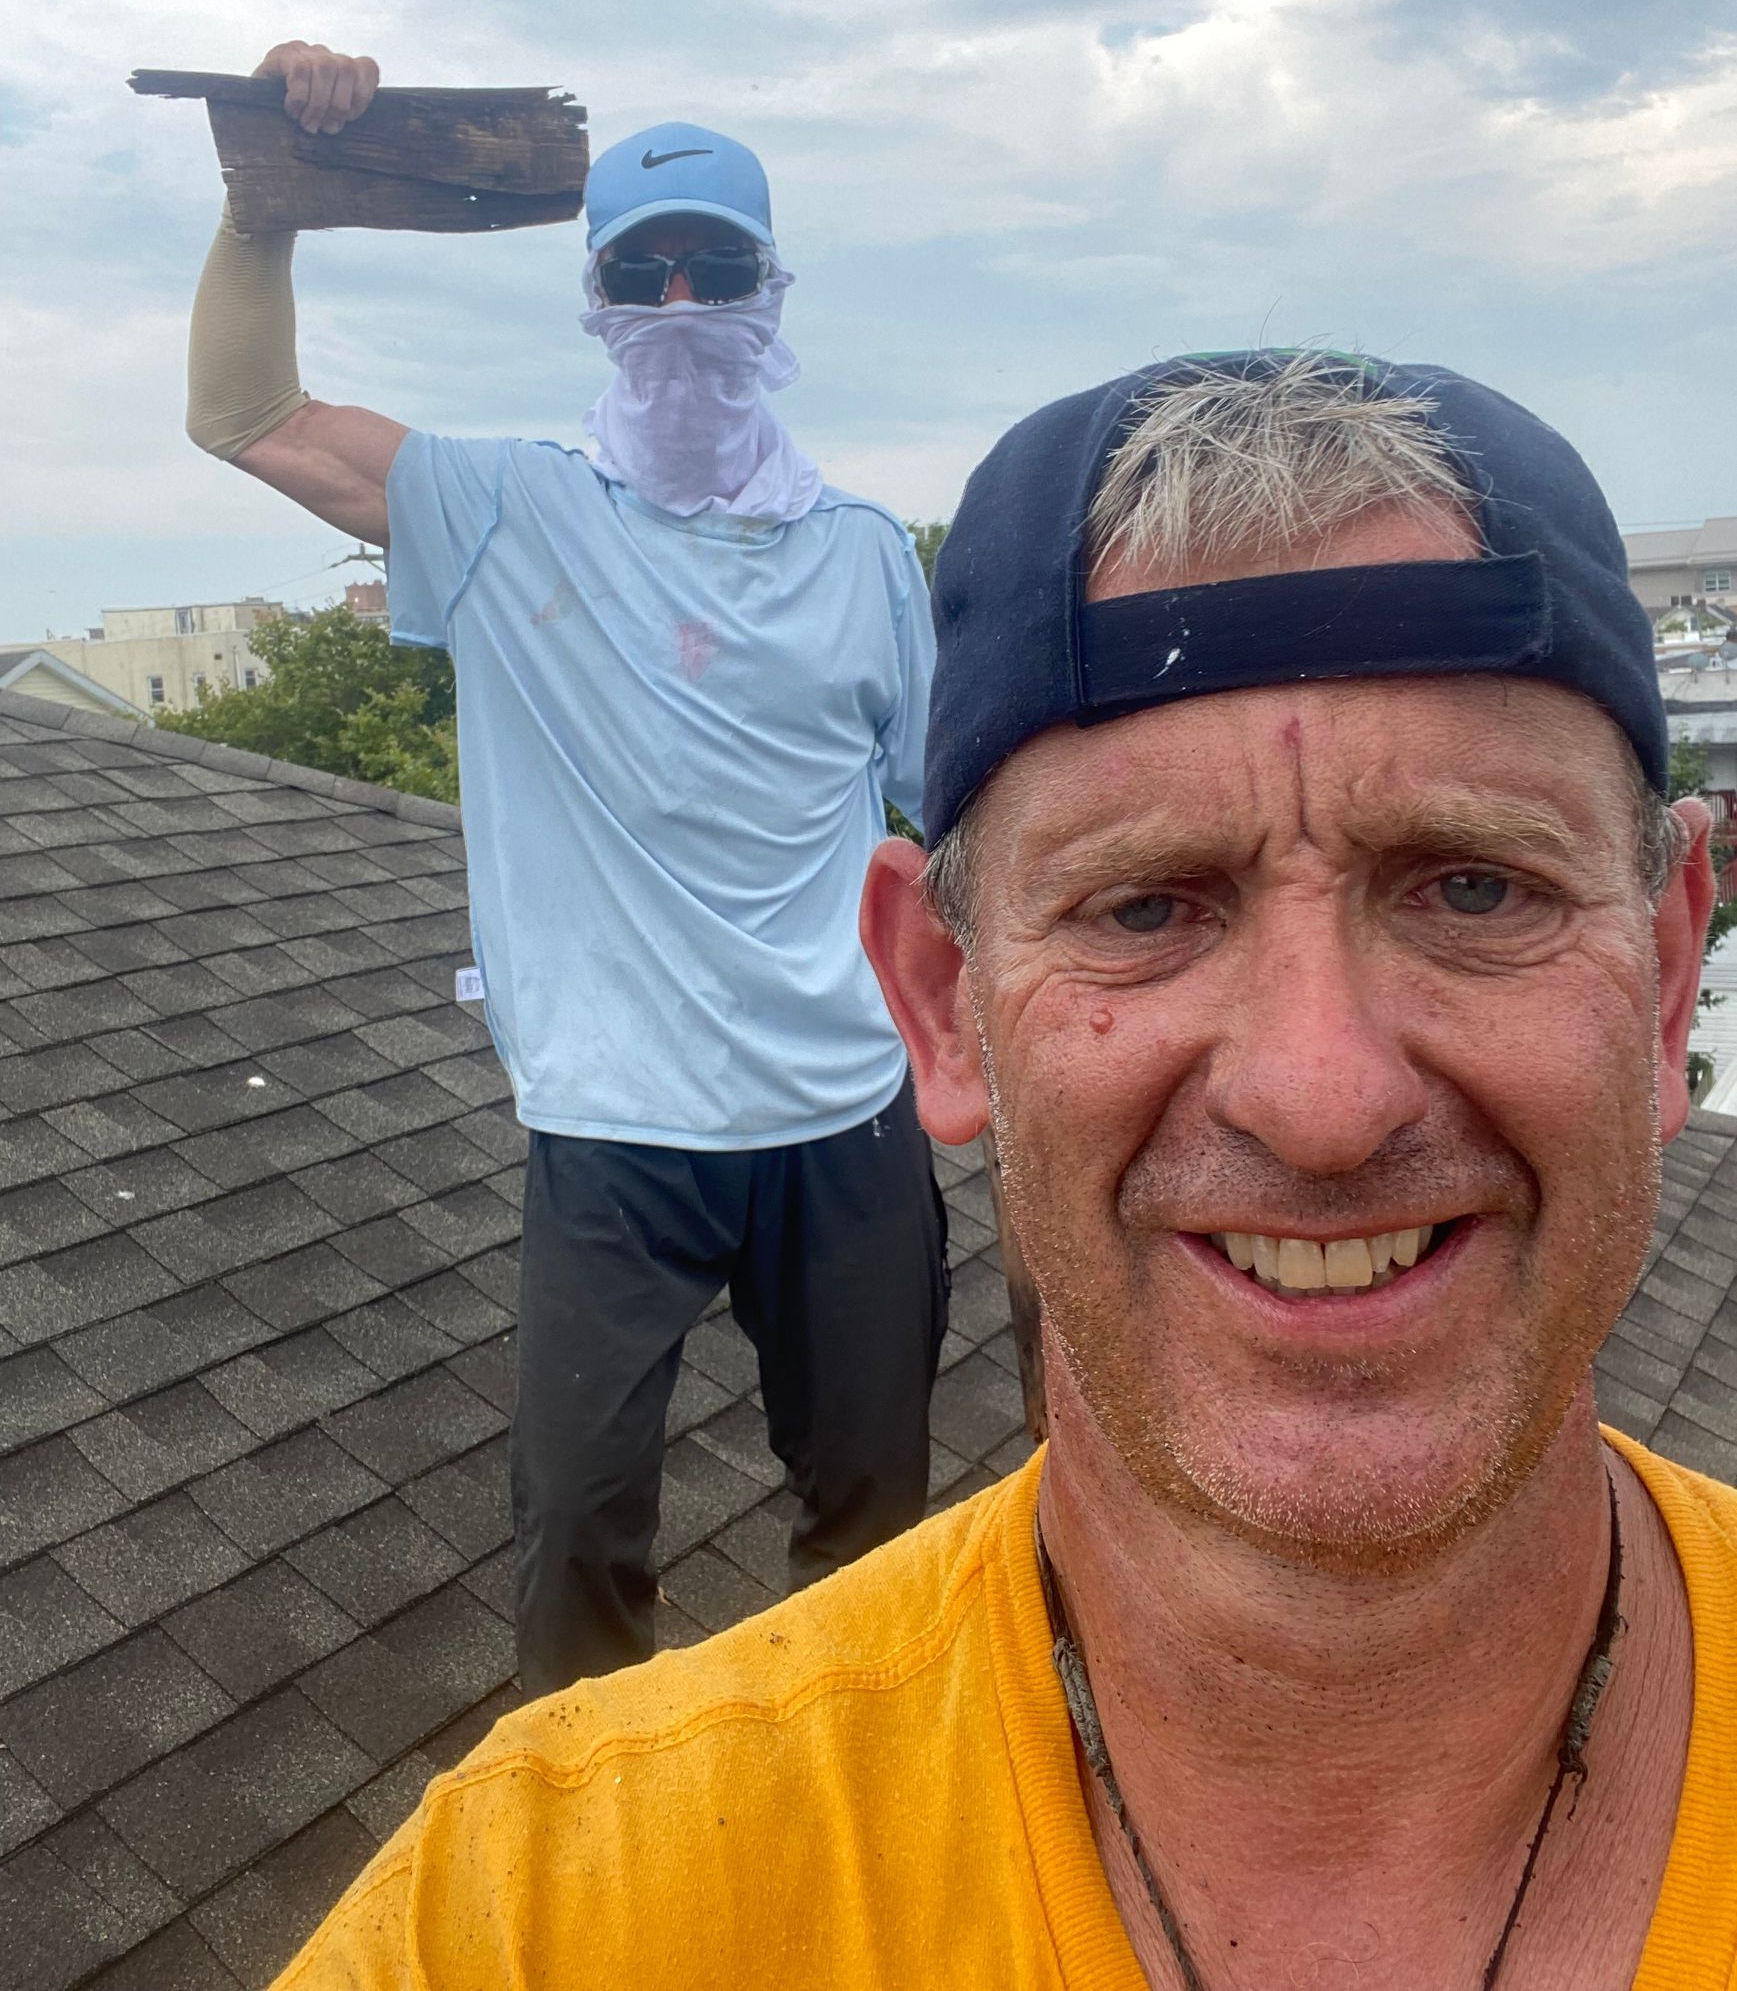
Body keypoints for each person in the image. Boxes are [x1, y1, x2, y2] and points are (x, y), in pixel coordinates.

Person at [271, 347, 1735, 1991]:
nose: (1322, 1097)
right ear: (942, 1008)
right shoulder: (539, 1916)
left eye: (1474, 890)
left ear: (1671, 968)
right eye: (1145, 907)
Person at [186, 41, 948, 1694]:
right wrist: (268, 196)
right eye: (641, 273)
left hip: (844, 1117)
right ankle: (598, 1851)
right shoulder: (503, 512)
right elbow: (241, 410)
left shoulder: (863, 555)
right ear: (595, 300)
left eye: (715, 271)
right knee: (580, 1533)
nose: (681, 305)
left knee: (875, 1528)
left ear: (771, 290)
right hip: (614, 1129)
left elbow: (949, 839)